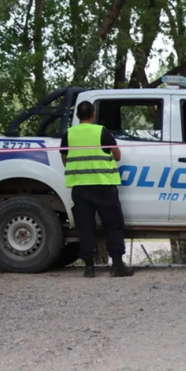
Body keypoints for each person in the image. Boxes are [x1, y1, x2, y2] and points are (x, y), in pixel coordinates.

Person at [60, 101, 134, 278]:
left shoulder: (69, 134)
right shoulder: (102, 131)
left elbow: (64, 159)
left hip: (80, 186)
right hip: (103, 185)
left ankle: (89, 268)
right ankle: (117, 266)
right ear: (93, 114)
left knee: (85, 226)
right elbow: (117, 155)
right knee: (113, 224)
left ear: (77, 116)